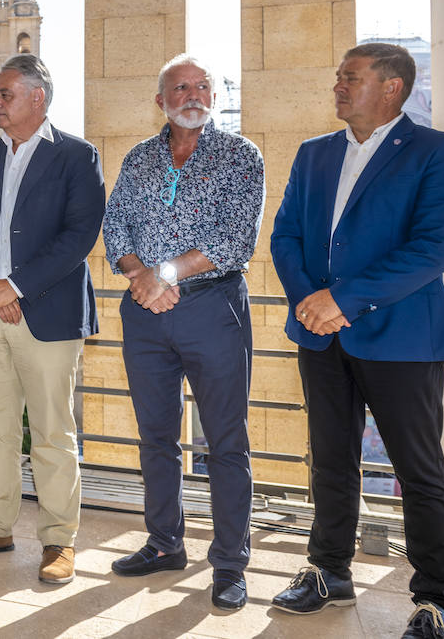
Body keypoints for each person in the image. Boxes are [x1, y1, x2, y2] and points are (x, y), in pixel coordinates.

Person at [269, 43, 444, 639]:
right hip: (320, 334)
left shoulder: (439, 152)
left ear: (391, 88)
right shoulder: (313, 154)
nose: (337, 85)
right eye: (337, 76)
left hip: (404, 337)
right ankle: (329, 572)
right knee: (330, 459)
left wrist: (344, 300)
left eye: (350, 78)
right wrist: (313, 300)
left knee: (419, 468)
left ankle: (436, 599)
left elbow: (433, 247)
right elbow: (285, 235)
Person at [101, 55, 265, 610]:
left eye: (202, 87)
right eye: (180, 87)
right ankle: (165, 543)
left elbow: (237, 236)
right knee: (156, 438)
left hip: (212, 308)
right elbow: (115, 224)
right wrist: (138, 276)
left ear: (213, 97)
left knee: (226, 442)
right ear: (161, 100)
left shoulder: (241, 155)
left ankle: (229, 566)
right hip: (144, 314)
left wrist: (164, 273)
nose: (192, 94)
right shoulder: (139, 157)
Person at [0, 53, 105, 585]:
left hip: (47, 315)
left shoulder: (77, 156)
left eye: (5, 94)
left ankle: (59, 540)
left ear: (38, 97)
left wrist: (18, 286)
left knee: (52, 432)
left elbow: (79, 235)